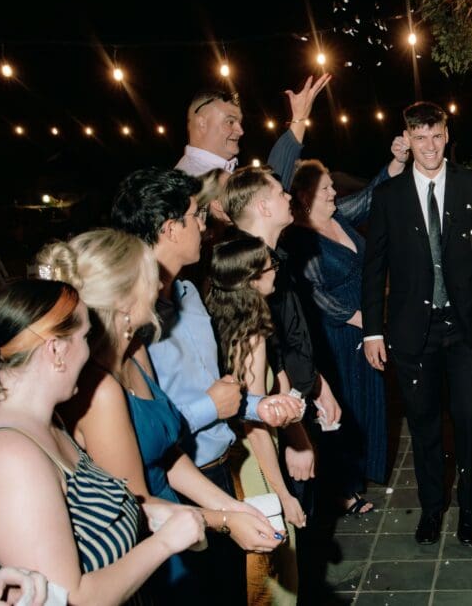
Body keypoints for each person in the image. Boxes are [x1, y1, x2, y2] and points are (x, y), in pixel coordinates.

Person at [39, 230, 280, 602]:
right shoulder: (98, 390)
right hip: (148, 545)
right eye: (148, 273)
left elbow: (167, 453)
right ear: (124, 300)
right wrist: (226, 521)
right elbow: (135, 502)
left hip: (184, 522)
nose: (158, 281)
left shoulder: (134, 348)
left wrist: (232, 506)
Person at [110, 167, 304, 603]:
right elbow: (144, 429)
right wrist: (210, 408)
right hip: (171, 486)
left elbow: (223, 394)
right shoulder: (129, 322)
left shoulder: (189, 294)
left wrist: (258, 408)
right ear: (169, 227)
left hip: (218, 468)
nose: (205, 224)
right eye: (197, 215)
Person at [0, 279, 205, 606]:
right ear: (56, 350)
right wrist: (165, 543)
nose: (90, 350)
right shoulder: (10, 455)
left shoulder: (50, 423)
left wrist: (146, 516)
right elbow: (71, 599)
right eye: (85, 337)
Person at [361, 101, 472, 546]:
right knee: (423, 425)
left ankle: (468, 507)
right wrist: (373, 329)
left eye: (436, 136)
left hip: (466, 328)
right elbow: (375, 267)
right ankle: (430, 508)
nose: (429, 146)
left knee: (468, 419)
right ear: (407, 139)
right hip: (410, 333)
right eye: (419, 137)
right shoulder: (388, 196)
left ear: (447, 136)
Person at [267, 93, 410, 515]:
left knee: (368, 401)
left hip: (363, 324)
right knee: (339, 407)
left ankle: (360, 474)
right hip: (335, 331)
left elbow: (372, 195)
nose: (335, 191)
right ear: (307, 194)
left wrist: (397, 162)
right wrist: (362, 318)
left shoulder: (339, 217)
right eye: (328, 187)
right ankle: (342, 489)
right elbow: (314, 293)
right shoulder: (298, 235)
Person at [223, 166, 341, 603]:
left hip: (281, 413)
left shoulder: (273, 262)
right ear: (261, 205)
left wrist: (316, 385)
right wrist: (294, 433)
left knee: (286, 557)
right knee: (270, 563)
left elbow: (287, 349)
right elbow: (254, 395)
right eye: (280, 190)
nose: (289, 195)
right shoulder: (250, 280)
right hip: (261, 439)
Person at [206, 234, 307, 605]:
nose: (276, 271)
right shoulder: (251, 336)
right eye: (270, 266)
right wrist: (283, 494)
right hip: (253, 459)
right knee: (273, 564)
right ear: (251, 280)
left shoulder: (217, 319)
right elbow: (254, 424)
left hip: (230, 453)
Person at [175, 74, 330, 177]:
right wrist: (299, 119)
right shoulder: (196, 179)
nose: (240, 131)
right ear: (202, 123)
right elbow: (267, 206)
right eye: (230, 122)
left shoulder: (214, 170)